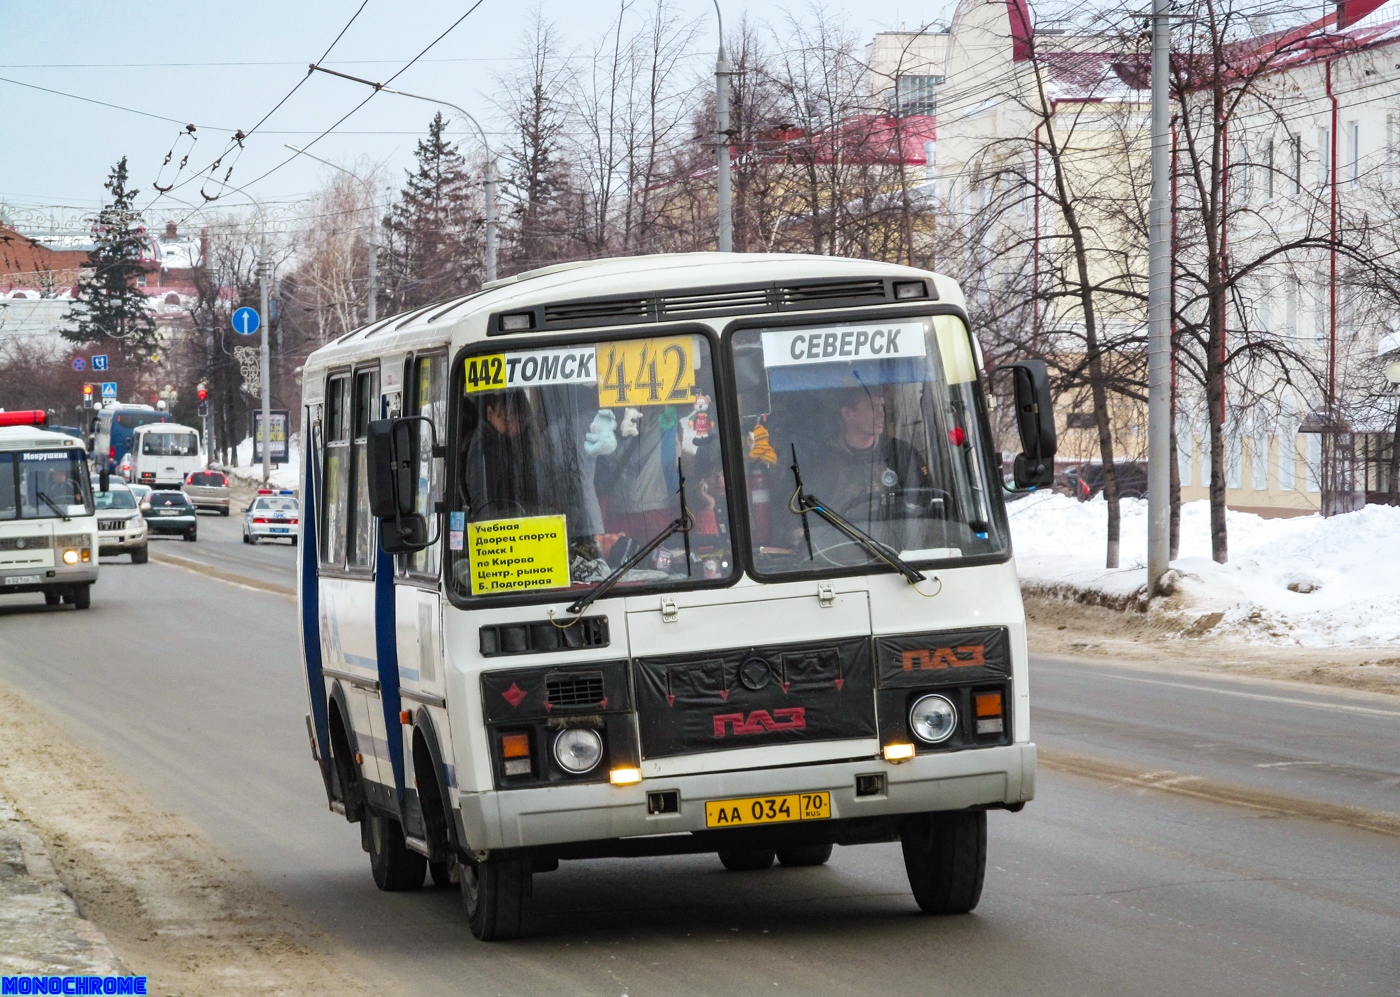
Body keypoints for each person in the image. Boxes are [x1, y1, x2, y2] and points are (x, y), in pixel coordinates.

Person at [799, 387, 931, 523]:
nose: (882, 414)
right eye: (872, 407)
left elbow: (925, 500)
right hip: (842, 539)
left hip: (895, 538)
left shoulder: (900, 452)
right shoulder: (825, 460)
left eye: (882, 406)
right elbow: (808, 513)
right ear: (848, 413)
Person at [461, 390, 539, 519]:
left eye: (521, 422)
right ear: (490, 413)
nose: (515, 428)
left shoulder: (521, 441)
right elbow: (484, 509)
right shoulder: (483, 452)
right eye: (508, 421)